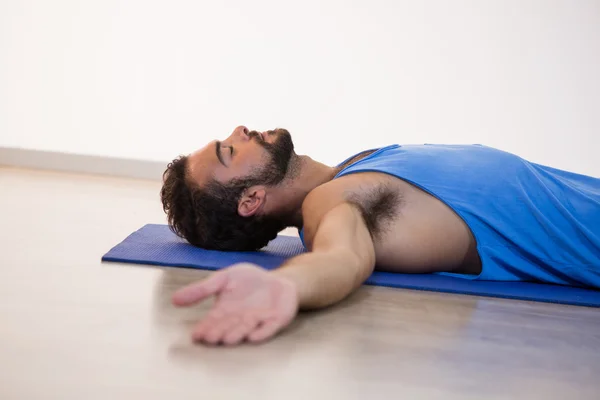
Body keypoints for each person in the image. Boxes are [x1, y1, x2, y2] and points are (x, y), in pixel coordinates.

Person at [160, 125, 600, 346]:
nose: (241, 130)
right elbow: (342, 256)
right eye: (229, 151)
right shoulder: (332, 202)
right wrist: (285, 283)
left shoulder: (354, 168)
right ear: (252, 199)